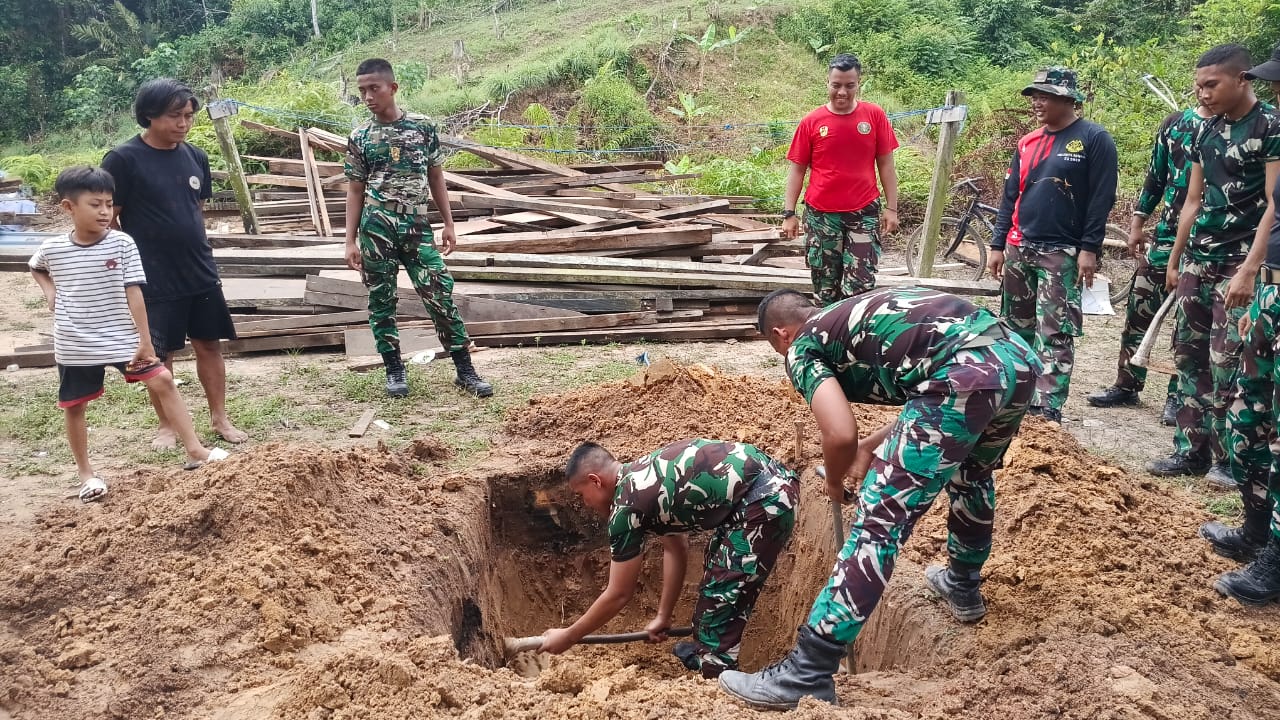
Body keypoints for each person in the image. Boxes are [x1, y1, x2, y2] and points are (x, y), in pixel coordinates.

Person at [717, 287, 1040, 710]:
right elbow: (934, 386)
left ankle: (805, 672)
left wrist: (835, 479)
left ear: (780, 335)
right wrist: (870, 448)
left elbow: (838, 433)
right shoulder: (857, 314)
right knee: (972, 475)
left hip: (964, 376)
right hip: (1016, 360)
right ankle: (962, 584)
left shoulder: (803, 345)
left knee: (878, 523)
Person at [29, 167, 227, 503]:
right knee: (75, 406)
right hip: (75, 342)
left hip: (123, 338)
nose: (105, 212)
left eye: (109, 203)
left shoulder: (122, 243)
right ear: (68, 208)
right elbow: (35, 266)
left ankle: (196, 449)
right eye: (95, 204)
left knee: (162, 380)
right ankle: (86, 474)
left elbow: (134, 291)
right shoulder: (53, 248)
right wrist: (50, 292)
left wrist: (145, 340)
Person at [539, 439, 798, 678]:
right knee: (716, 572)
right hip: (770, 484)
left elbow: (618, 593)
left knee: (723, 591)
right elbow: (676, 547)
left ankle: (717, 673)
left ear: (596, 481)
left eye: (580, 494)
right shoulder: (641, 475)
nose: (584, 503)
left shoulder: (626, 509)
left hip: (765, 500)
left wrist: (569, 636)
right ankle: (706, 650)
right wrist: (664, 615)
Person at [1149, 44, 1280, 480]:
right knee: (1188, 355)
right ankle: (1191, 450)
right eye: (1197, 86)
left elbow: (1272, 206)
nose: (1202, 94)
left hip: (1240, 260)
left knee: (1228, 362)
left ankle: (1228, 460)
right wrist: (1175, 257)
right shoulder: (1206, 132)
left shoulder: (1270, 128)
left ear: (1243, 79)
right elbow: (1192, 200)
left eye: (1211, 84)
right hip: (1199, 259)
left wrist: (1249, 270)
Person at [101, 78, 248, 449]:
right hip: (152, 274)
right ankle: (166, 425)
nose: (183, 124)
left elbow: (194, 212)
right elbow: (111, 218)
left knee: (209, 344)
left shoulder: (195, 156)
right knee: (160, 351)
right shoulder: (123, 160)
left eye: (188, 116)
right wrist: (125, 267)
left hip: (198, 268)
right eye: (174, 116)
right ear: (149, 115)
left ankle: (219, 417)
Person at [343, 58, 491, 399]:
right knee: (382, 300)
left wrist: (449, 223)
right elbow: (355, 189)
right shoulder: (360, 136)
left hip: (416, 223)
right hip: (376, 224)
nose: (367, 96)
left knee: (439, 294)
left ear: (392, 88)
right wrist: (349, 240)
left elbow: (436, 176)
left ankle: (465, 370)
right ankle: (395, 371)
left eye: (374, 88)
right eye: (362, 90)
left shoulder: (423, 128)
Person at [988, 67, 1118, 424]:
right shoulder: (1028, 142)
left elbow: (1101, 199)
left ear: (1067, 98)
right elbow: (1010, 195)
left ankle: (1047, 406)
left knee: (1056, 329)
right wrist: (998, 244)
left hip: (1062, 252)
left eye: (1044, 95)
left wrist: (1090, 248)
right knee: (1015, 326)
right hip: (1020, 247)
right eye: (1035, 96)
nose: (1037, 102)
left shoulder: (1094, 139)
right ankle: (1015, 394)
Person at [1087, 105, 1210, 427]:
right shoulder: (1176, 124)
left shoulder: (1238, 129)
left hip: (1208, 243)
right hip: (1166, 237)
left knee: (1189, 326)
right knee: (1139, 308)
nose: (1204, 92)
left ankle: (1177, 396)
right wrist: (1138, 221)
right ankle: (1127, 384)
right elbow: (1156, 177)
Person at [782, 53, 899, 305]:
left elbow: (886, 165)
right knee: (825, 290)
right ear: (827, 83)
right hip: (822, 217)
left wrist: (891, 208)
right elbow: (797, 170)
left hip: (864, 214)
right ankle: (827, 341)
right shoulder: (811, 122)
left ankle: (855, 342)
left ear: (859, 84)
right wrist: (788, 213)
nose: (842, 92)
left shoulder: (874, 116)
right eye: (836, 85)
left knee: (860, 289)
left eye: (849, 85)